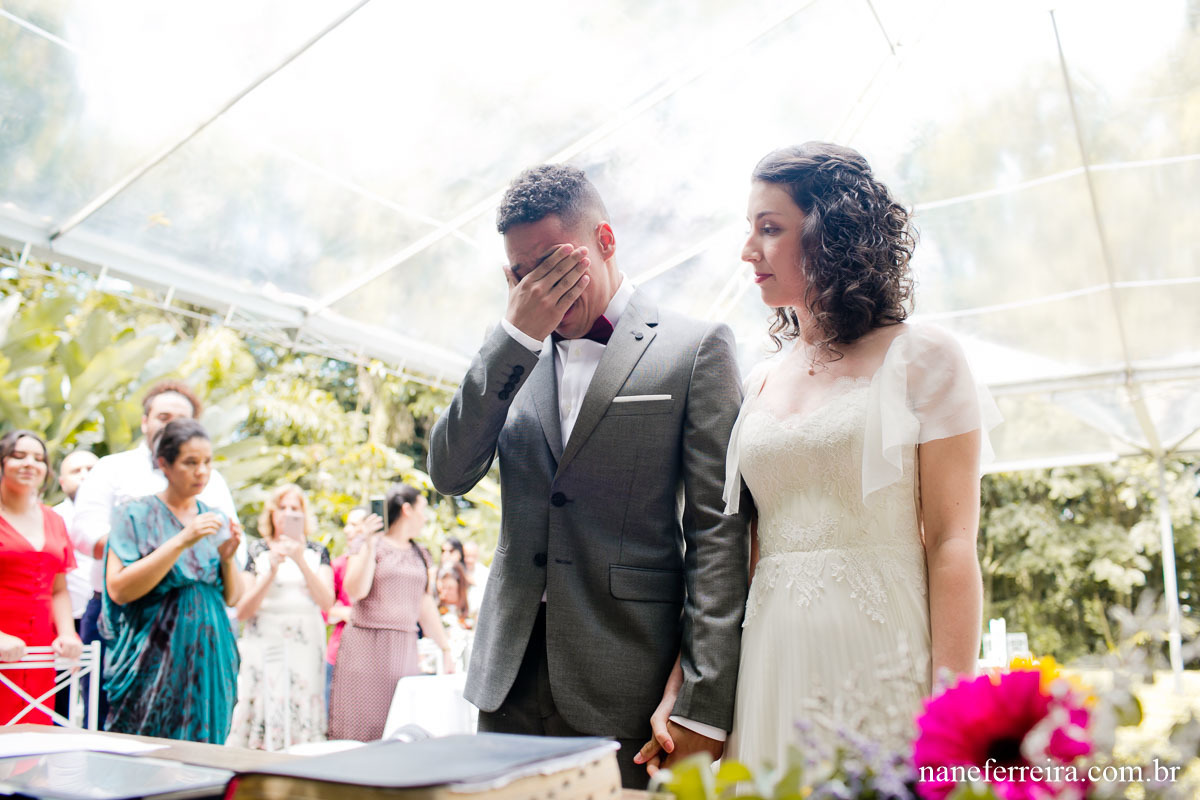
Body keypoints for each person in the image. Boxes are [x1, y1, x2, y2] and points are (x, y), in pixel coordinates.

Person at [642, 142, 1001, 772]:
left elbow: (951, 543)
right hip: (770, 659)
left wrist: (954, 714)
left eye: (770, 228)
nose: (748, 250)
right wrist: (687, 687)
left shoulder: (926, 359)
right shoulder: (756, 382)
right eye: (749, 230)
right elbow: (739, 554)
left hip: (885, 652)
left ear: (833, 233)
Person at [428, 164, 748, 788]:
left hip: (626, 676)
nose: (543, 287)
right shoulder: (508, 357)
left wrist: (703, 703)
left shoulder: (695, 348)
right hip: (508, 678)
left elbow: (717, 535)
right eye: (524, 274)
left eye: (555, 264)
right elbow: (448, 472)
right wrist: (514, 335)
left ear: (605, 241)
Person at [70, 380, 241, 726]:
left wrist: (225, 555)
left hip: (205, 636)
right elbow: (84, 529)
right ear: (146, 420)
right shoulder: (113, 469)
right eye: (163, 416)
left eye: (181, 418)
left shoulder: (214, 485)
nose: (200, 471)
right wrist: (144, 542)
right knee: (114, 724)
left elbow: (231, 566)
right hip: (132, 621)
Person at [101, 419, 243, 743]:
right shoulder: (134, 513)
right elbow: (119, 589)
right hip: (152, 655)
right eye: (190, 463)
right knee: (146, 749)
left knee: (206, 752)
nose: (202, 472)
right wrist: (181, 540)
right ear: (163, 463)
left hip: (212, 655)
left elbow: (233, 597)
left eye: (207, 462)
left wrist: (228, 558)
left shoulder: (214, 516)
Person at [328, 484, 453, 741]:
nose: (426, 517)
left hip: (403, 648)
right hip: (366, 647)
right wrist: (370, 545)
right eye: (423, 509)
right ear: (407, 509)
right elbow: (355, 591)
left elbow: (425, 606)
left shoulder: (421, 553)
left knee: (397, 723)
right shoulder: (369, 544)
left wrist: (446, 648)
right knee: (360, 725)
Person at [227, 484, 334, 749]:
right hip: (264, 639)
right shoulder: (258, 551)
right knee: (262, 697)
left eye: (294, 508)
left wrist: (299, 559)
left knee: (303, 696)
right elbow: (242, 610)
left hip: (304, 642)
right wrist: (271, 572)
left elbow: (327, 601)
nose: (287, 513)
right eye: (282, 507)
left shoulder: (316, 551)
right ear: (272, 513)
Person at [0, 431, 83, 725]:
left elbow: (58, 588)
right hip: (2, 638)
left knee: (34, 735)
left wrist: (66, 633)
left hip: (38, 648)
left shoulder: (54, 519)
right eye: (18, 456)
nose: (29, 464)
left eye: (38, 458)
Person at [51, 449, 98, 723]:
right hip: (60, 622)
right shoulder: (52, 519)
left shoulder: (119, 517)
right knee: (60, 700)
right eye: (76, 470)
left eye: (91, 469)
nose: (84, 475)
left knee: (96, 697)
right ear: (61, 481)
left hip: (101, 617)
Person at [462, 540, 489, 613]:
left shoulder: (484, 573)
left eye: (473, 556)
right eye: (467, 556)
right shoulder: (457, 570)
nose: (469, 560)